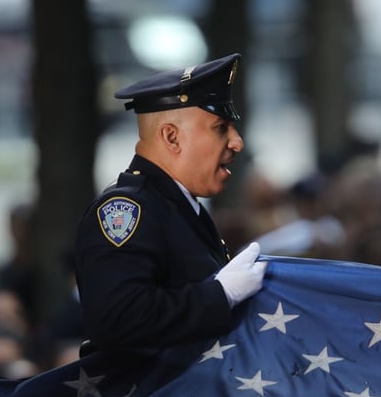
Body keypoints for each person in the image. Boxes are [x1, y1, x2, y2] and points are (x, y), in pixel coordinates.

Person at [74, 53, 266, 353]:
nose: (237, 142)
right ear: (172, 137)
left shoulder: (177, 207)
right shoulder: (128, 210)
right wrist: (219, 296)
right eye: (220, 128)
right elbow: (117, 320)